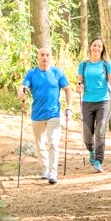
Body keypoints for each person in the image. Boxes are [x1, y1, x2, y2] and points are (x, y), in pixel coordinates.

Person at [18, 46, 73, 185]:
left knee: (53, 142)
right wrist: (21, 92)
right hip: (37, 114)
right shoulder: (32, 73)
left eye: (47, 55)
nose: (45, 58)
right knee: (40, 144)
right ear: (38, 57)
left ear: (51, 57)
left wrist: (69, 107)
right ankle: (45, 168)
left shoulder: (57, 73)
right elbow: (23, 86)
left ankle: (53, 173)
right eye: (42, 55)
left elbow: (67, 89)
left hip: (54, 113)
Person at [75, 36, 111, 173]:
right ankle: (92, 152)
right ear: (90, 47)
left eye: (99, 46)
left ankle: (98, 161)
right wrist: (79, 86)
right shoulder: (84, 65)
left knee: (100, 132)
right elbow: (79, 81)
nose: (97, 48)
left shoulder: (106, 64)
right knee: (87, 135)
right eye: (94, 45)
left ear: (102, 48)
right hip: (87, 101)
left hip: (103, 101)